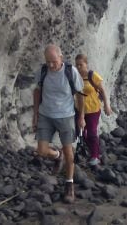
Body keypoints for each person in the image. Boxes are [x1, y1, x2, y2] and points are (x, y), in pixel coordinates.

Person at [32, 44, 85, 204]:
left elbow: (80, 95)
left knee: (70, 153)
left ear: (61, 58)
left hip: (66, 116)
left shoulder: (71, 72)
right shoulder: (42, 72)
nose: (51, 65)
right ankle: (57, 156)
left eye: (54, 61)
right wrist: (35, 114)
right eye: (48, 61)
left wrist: (81, 117)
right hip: (45, 115)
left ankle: (69, 184)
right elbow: (37, 91)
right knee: (41, 151)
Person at [74, 54, 112, 166]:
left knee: (91, 133)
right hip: (79, 109)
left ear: (86, 64)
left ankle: (95, 156)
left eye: (81, 65)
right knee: (79, 133)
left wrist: (106, 105)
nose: (79, 67)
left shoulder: (92, 75)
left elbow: (103, 91)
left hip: (93, 110)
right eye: (77, 65)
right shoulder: (76, 77)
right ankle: (90, 151)